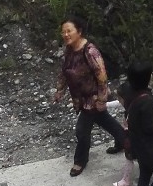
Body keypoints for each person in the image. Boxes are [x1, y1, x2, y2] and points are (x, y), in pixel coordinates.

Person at [54, 18, 128, 176]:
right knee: (105, 121)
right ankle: (125, 141)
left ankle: (80, 161)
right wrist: (60, 90)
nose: (66, 34)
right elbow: (64, 72)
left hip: (93, 98)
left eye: (69, 31)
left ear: (79, 31)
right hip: (80, 98)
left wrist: (101, 99)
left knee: (82, 130)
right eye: (64, 31)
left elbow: (102, 76)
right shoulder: (69, 51)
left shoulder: (90, 51)